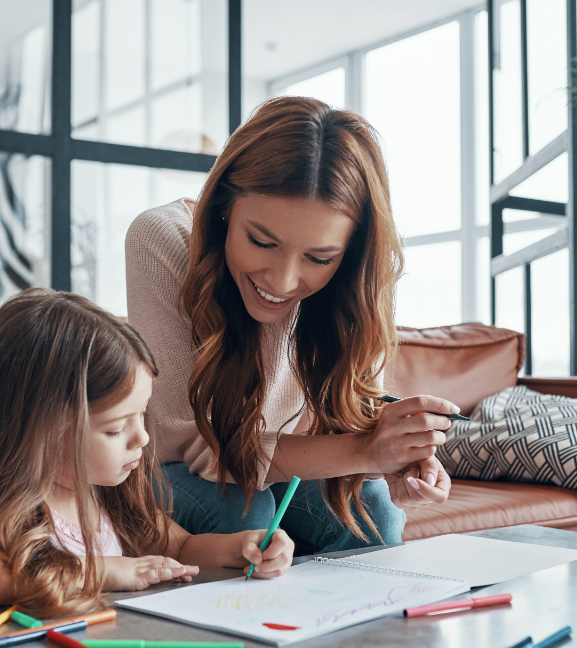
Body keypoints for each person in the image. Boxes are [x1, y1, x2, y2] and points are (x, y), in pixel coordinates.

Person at [126, 96, 459, 554]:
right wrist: (365, 451)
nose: (281, 281)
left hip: (274, 466)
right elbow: (196, 451)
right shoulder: (162, 239)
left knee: (373, 513)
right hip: (171, 469)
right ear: (224, 207)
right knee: (240, 513)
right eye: (261, 241)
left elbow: (350, 422)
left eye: (319, 258)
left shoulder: (357, 276)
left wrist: (398, 462)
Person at [0, 288, 293, 616]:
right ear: (44, 431)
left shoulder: (108, 493)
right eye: (116, 428)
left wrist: (240, 547)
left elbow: (179, 549)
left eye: (141, 416)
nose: (142, 439)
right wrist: (103, 570)